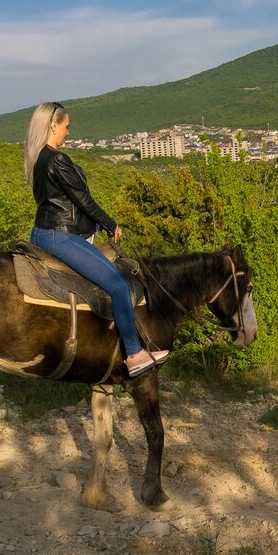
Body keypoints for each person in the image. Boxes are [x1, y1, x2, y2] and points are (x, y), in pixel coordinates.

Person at [24, 102, 168, 378]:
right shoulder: (57, 159)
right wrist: (109, 223)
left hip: (41, 231)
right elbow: (84, 200)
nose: (68, 132)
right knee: (118, 285)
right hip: (59, 236)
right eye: (66, 127)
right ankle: (134, 353)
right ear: (54, 125)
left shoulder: (38, 157)